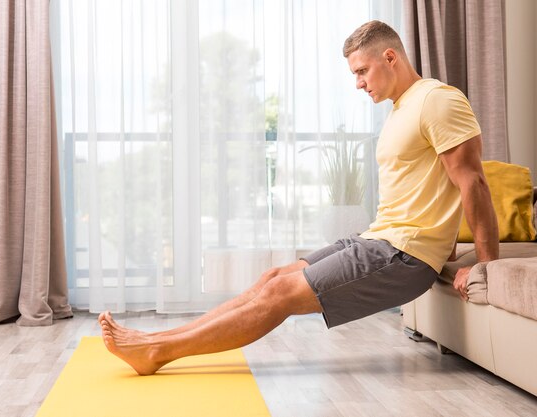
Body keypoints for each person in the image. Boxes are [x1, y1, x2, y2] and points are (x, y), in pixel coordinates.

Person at [98, 20, 499, 376]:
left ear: (390, 57)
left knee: (278, 296)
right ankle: (158, 338)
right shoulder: (400, 108)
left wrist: (486, 266)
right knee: (272, 277)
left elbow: (473, 184)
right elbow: (425, 187)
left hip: (403, 255)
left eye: (362, 71)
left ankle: (156, 351)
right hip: (379, 239)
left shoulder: (438, 99)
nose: (358, 82)